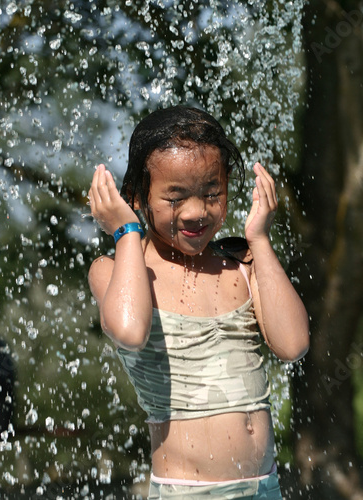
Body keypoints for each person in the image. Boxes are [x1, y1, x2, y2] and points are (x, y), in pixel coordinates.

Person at [88, 106, 310, 499]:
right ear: (136, 196)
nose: (196, 211)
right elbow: (129, 330)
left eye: (212, 194)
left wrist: (259, 240)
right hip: (185, 491)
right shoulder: (117, 270)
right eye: (175, 197)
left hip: (265, 487)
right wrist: (126, 232)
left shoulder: (242, 266)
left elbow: (293, 344)